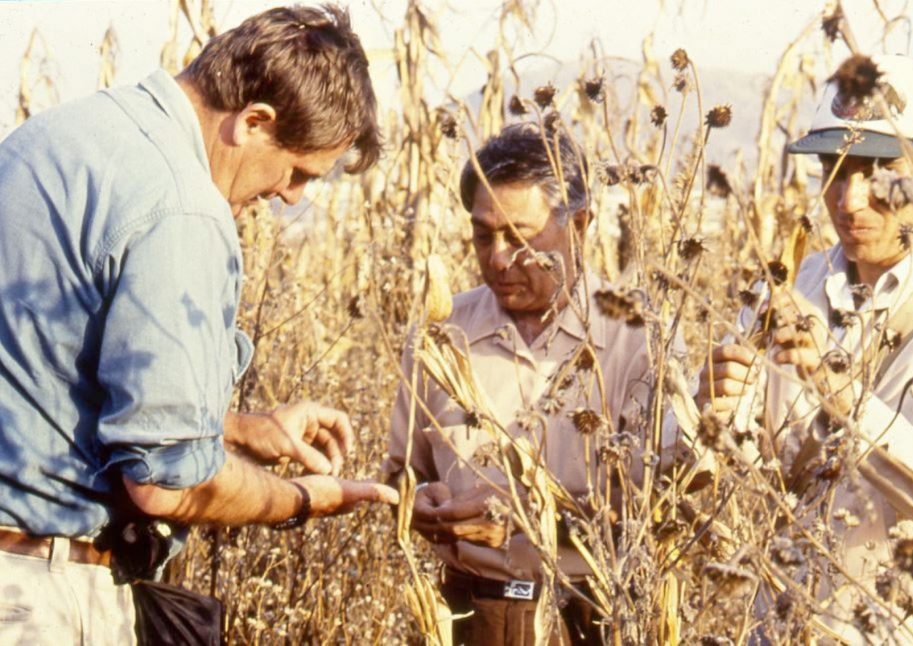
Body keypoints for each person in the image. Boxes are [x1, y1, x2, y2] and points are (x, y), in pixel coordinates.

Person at [0, 5, 397, 645]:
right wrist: (299, 500)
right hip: (37, 593)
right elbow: (163, 484)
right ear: (254, 122)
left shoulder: (66, 135)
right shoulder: (183, 205)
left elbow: (49, 379)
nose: (292, 196)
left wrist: (239, 430)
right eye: (297, 171)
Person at [698, 54, 913, 644]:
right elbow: (728, 466)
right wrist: (713, 411)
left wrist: (835, 385)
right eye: (834, 169)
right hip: (788, 625)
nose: (849, 202)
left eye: (878, 171)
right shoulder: (788, 285)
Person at [383, 123, 700, 645]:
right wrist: (416, 507)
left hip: (596, 617)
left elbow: (666, 507)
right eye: (483, 236)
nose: (499, 258)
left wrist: (524, 523)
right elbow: (401, 476)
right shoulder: (439, 337)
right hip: (466, 618)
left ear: (579, 224)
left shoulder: (642, 339)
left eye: (520, 237)